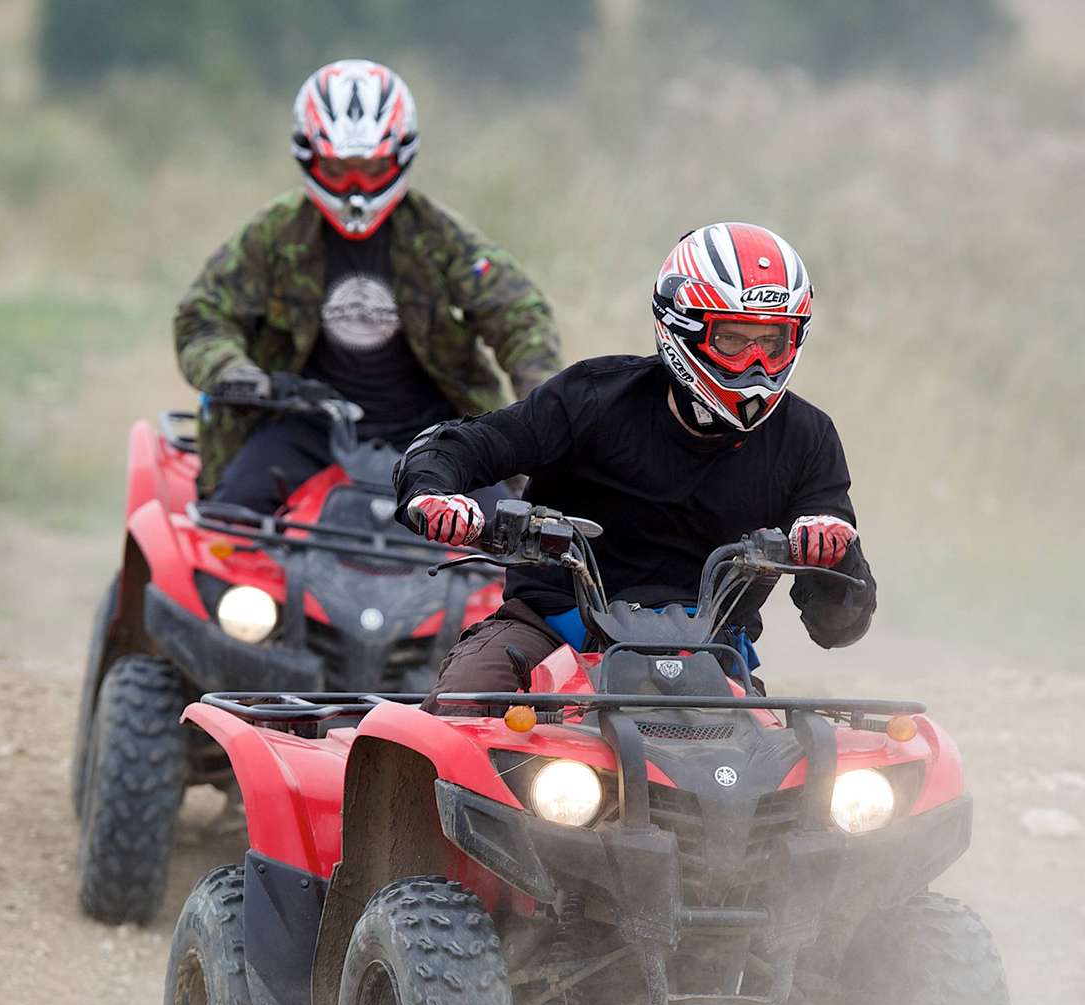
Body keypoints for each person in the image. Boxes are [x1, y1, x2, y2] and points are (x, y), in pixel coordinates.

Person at [394, 221, 877, 698]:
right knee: (467, 700)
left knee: (810, 765)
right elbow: (467, 444)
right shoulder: (591, 398)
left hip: (713, 659)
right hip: (553, 634)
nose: (756, 363)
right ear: (681, 330)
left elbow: (837, 628)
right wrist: (432, 493)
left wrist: (836, 555)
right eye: (733, 339)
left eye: (772, 342)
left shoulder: (808, 437)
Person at [175, 58, 561, 512]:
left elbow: (518, 312)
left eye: (371, 169)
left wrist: (540, 407)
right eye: (340, 171)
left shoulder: (438, 236)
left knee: (507, 536)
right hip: (305, 427)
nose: (355, 189)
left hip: (434, 432)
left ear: (401, 157)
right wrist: (231, 372)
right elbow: (203, 314)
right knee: (231, 518)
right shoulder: (274, 234)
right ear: (309, 159)